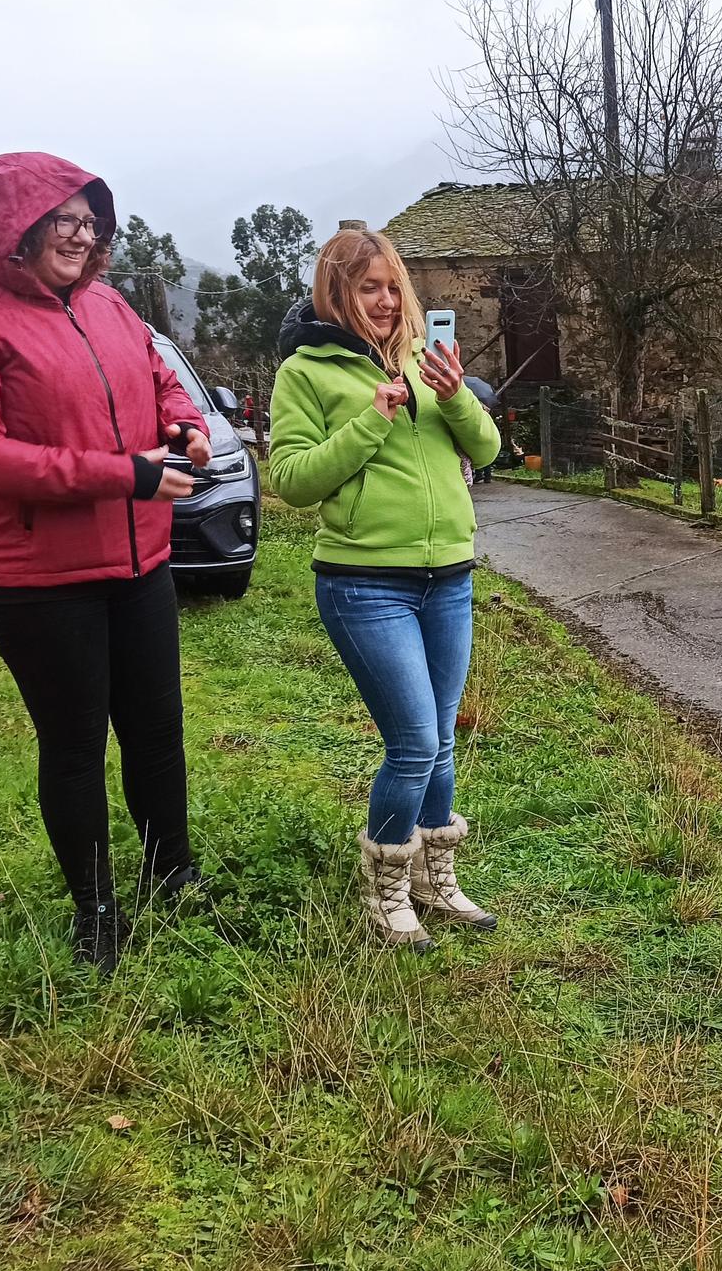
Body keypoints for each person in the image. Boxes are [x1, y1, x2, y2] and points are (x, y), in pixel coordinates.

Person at [0, 153, 209, 972]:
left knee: (156, 733)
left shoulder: (109, 305)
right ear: (17, 227)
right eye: (63, 220)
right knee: (75, 746)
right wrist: (129, 473)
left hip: (138, 559)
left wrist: (185, 424)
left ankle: (171, 874)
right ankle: (97, 909)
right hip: (38, 581)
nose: (81, 236)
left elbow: (159, 378)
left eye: (91, 222)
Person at [270, 228, 502, 952]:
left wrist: (455, 395)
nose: (383, 299)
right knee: (412, 742)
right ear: (337, 293)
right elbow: (294, 480)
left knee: (440, 746)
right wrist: (372, 419)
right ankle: (387, 885)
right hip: (365, 584)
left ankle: (436, 877)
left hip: (449, 579)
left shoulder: (423, 360)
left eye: (392, 285)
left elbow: (488, 450)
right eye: (367, 286)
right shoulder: (305, 373)